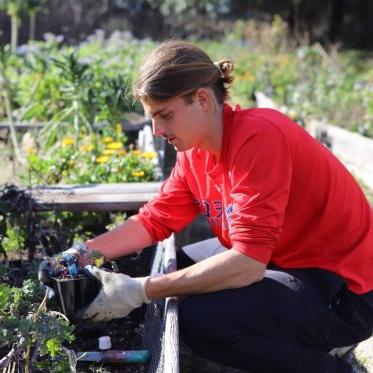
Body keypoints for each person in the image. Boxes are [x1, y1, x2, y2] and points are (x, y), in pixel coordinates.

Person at [39, 40, 373, 373]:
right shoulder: (193, 153)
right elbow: (154, 221)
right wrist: (79, 255)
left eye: (164, 115)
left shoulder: (259, 138)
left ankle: (331, 363)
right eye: (152, 117)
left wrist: (141, 290)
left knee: (200, 319)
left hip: (344, 289)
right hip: (284, 256)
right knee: (174, 268)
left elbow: (247, 263)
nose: (156, 130)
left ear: (201, 99)